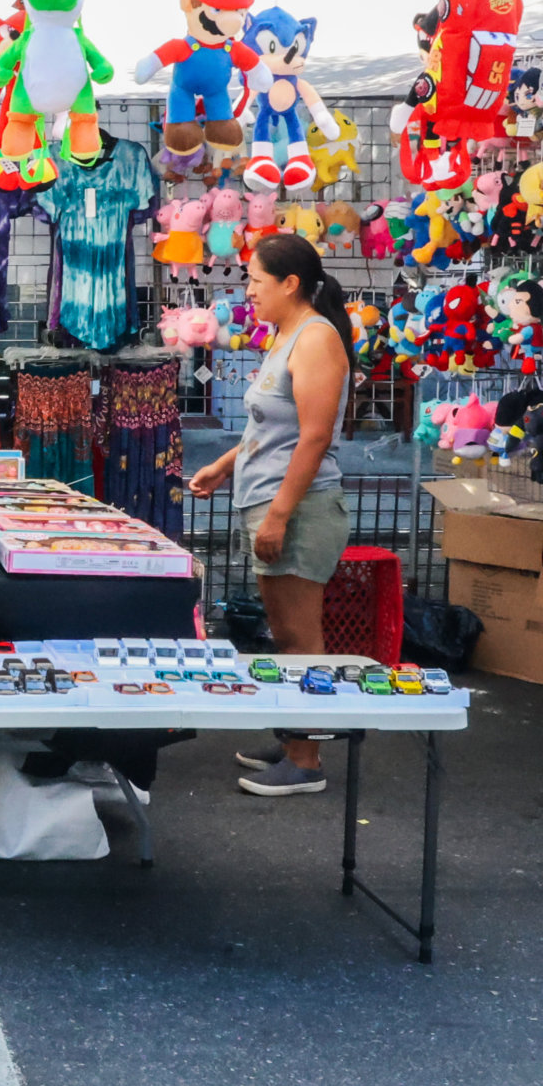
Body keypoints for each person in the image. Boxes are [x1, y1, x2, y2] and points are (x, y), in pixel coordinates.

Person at [186, 232, 355, 797]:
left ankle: (306, 760)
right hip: (269, 500)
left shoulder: (315, 340)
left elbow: (313, 438)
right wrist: (226, 466)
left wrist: (279, 515)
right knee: (283, 633)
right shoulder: (286, 337)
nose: (249, 292)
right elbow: (269, 426)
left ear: (290, 284)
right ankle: (293, 740)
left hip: (299, 507)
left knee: (300, 637)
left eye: (256, 281)